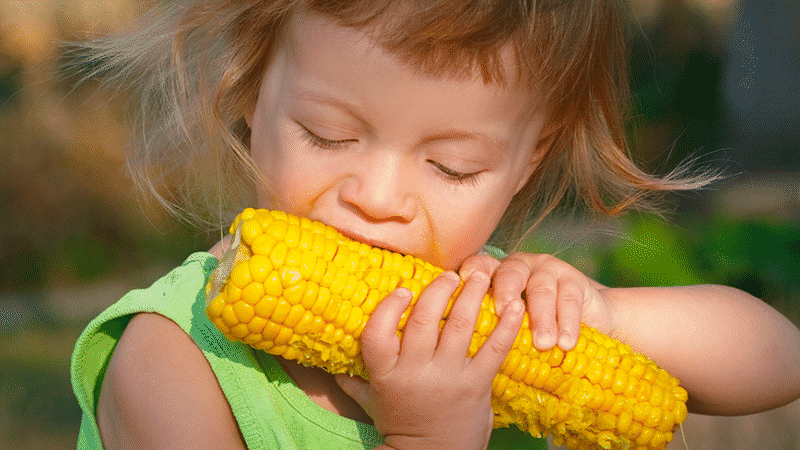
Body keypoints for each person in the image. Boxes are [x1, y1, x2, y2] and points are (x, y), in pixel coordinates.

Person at [70, 1, 800, 449]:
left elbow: (779, 362)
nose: (380, 198)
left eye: (451, 167)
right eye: (327, 134)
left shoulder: (478, 296)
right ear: (251, 93)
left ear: (526, 162)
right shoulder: (172, 361)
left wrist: (607, 315)